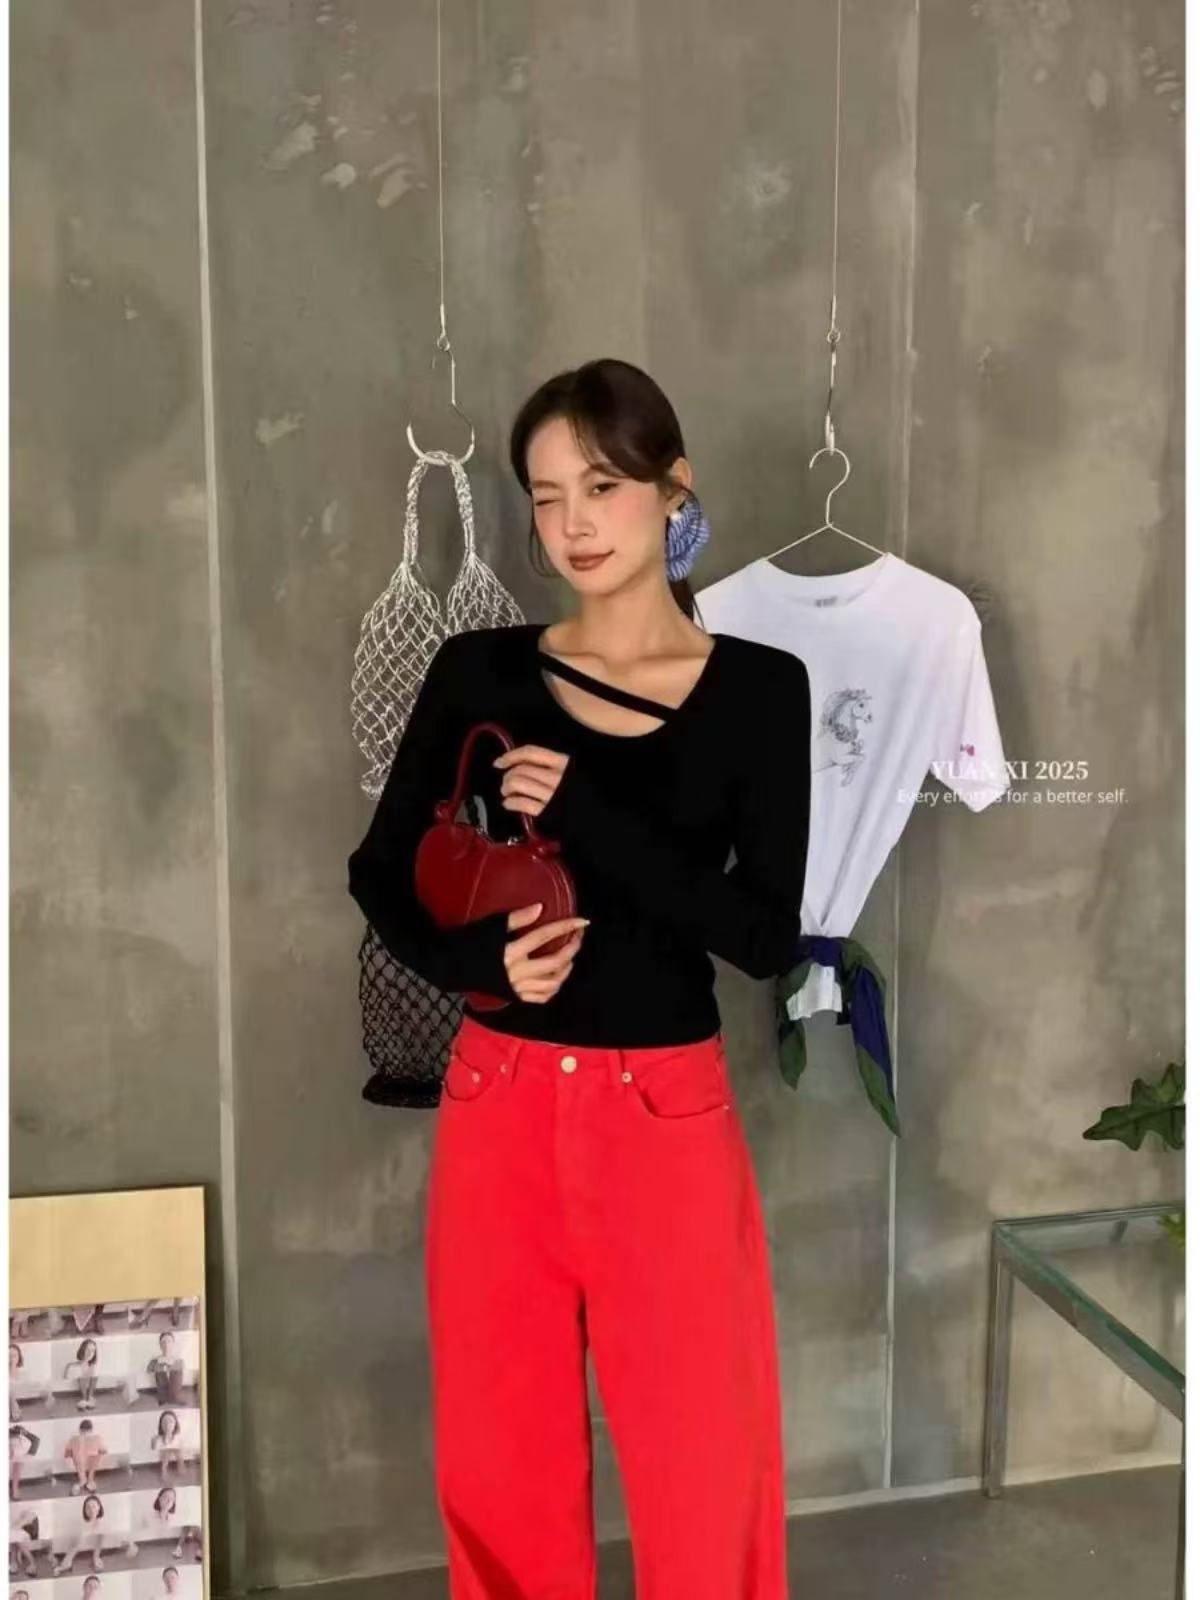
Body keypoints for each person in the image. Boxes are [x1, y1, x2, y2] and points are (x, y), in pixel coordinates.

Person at [347, 358, 811, 1597]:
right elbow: (381, 871)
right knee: (502, 1458)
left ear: (673, 486)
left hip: (665, 1114)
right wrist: (478, 962)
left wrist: (592, 816)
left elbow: (763, 936)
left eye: (601, 486)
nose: (573, 525)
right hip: (498, 1099)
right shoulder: (480, 672)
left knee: (705, 1457)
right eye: (547, 496)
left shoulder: (761, 690)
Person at [63, 1419, 108, 1494]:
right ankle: (90, 1480)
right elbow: (104, 1451)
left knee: (78, 1455)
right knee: (97, 1455)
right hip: (91, 1465)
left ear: (80, 1430)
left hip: (79, 1465)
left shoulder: (73, 1439)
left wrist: (75, 1453)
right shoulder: (97, 1438)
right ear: (91, 1430)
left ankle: (82, 1480)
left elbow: (66, 1454)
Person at [62, 1338, 100, 1411]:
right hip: (82, 1372)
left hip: (90, 1370)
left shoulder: (93, 1366)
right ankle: (84, 1398)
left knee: (93, 1370)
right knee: (84, 1372)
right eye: (87, 1350)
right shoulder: (77, 1365)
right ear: (83, 1350)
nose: (90, 1353)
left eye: (93, 1351)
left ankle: (89, 1397)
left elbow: (93, 1374)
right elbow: (69, 1368)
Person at [9, 1424, 40, 1498]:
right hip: (19, 1452)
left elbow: (36, 1440)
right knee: (18, 1463)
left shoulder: (20, 1450)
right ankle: (14, 1491)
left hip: (21, 1453)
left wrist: (22, 1432)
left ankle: (14, 1491)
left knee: (18, 1463)